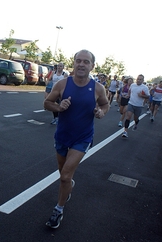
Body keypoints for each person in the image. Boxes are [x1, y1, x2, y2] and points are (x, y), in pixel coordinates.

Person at [43, 49, 109, 228]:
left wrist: (101, 112)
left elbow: (105, 104)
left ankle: (58, 209)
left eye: (86, 62)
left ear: (92, 66)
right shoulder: (63, 84)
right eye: (78, 60)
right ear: (74, 63)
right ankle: (68, 186)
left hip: (83, 138)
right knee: (62, 172)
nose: (81, 64)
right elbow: (47, 103)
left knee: (64, 176)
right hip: (62, 136)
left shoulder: (97, 88)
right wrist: (59, 107)